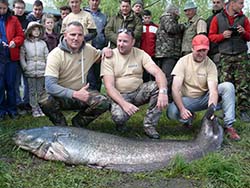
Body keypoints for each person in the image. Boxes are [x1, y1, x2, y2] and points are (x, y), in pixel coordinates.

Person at [167, 34, 240, 141]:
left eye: (204, 51)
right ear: (192, 48)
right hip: (187, 100)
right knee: (172, 112)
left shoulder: (210, 65)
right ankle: (188, 118)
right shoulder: (182, 62)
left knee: (228, 86)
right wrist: (182, 109)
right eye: (198, 50)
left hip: (205, 97)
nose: (201, 54)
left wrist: (211, 109)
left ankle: (229, 125)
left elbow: (213, 91)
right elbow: (175, 88)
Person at [39, 21, 111, 127]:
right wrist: (75, 94)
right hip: (62, 96)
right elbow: (50, 86)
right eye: (72, 34)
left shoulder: (89, 50)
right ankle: (61, 124)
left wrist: (105, 50)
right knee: (45, 100)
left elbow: (100, 56)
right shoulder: (55, 55)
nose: (76, 38)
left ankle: (79, 123)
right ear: (65, 35)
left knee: (103, 102)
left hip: (82, 93)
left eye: (80, 35)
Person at [101, 29, 168, 139]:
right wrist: (124, 104)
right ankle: (120, 124)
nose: (121, 44)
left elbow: (158, 72)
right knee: (119, 117)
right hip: (120, 94)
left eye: (125, 41)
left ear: (132, 42)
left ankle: (149, 125)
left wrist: (163, 92)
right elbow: (109, 87)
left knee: (157, 87)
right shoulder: (109, 57)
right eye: (119, 41)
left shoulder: (140, 54)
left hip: (138, 92)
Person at [208, 0, 250, 122]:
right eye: (241, 3)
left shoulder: (244, 18)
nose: (243, 6)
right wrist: (222, 36)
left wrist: (244, 33)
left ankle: (243, 111)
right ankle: (225, 110)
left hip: (241, 55)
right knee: (226, 84)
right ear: (232, 4)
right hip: (225, 56)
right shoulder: (217, 18)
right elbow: (211, 36)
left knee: (243, 84)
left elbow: (249, 36)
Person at [0, 0, 24, 121]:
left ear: (7, 7)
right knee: (0, 85)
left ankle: (12, 110)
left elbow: (20, 35)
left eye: (4, 8)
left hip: (11, 57)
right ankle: (1, 111)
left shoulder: (13, 19)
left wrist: (15, 41)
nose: (2, 11)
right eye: (0, 8)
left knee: (11, 85)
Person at [155, 4, 184, 102]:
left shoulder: (167, 18)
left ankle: (165, 96)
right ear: (174, 11)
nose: (178, 13)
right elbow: (171, 29)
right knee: (167, 76)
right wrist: (182, 26)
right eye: (177, 11)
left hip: (166, 52)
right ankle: (165, 97)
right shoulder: (168, 17)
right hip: (168, 52)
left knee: (166, 75)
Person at [20, 21, 48, 117]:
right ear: (29, 31)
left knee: (41, 90)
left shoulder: (43, 43)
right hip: (30, 69)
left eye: (38, 30)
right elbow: (22, 56)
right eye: (34, 29)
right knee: (32, 91)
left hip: (42, 69)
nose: (36, 32)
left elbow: (47, 55)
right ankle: (34, 108)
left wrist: (47, 66)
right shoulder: (25, 43)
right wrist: (25, 66)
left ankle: (41, 107)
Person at [84, 0, 107, 91]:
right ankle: (87, 96)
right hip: (86, 48)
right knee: (89, 75)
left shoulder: (103, 17)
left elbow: (105, 32)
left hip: (99, 48)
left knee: (98, 74)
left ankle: (97, 97)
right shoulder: (84, 14)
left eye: (97, 0)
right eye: (92, 0)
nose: (94, 2)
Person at [12, 0, 30, 115]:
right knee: (16, 81)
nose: (20, 10)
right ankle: (18, 103)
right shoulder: (10, 20)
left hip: (27, 54)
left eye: (22, 8)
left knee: (27, 80)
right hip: (14, 55)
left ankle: (27, 103)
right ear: (13, 8)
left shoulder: (27, 21)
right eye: (17, 7)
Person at [140, 9, 158, 82]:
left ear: (151, 17)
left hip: (153, 54)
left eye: (148, 18)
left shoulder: (156, 27)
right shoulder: (140, 27)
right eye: (145, 18)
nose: (147, 19)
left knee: (153, 74)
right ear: (142, 18)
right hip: (142, 54)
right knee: (144, 75)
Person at [206, 0, 225, 64]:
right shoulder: (209, 19)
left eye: (218, 2)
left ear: (223, 3)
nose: (215, 4)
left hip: (222, 52)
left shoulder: (227, 18)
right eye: (214, 2)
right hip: (210, 52)